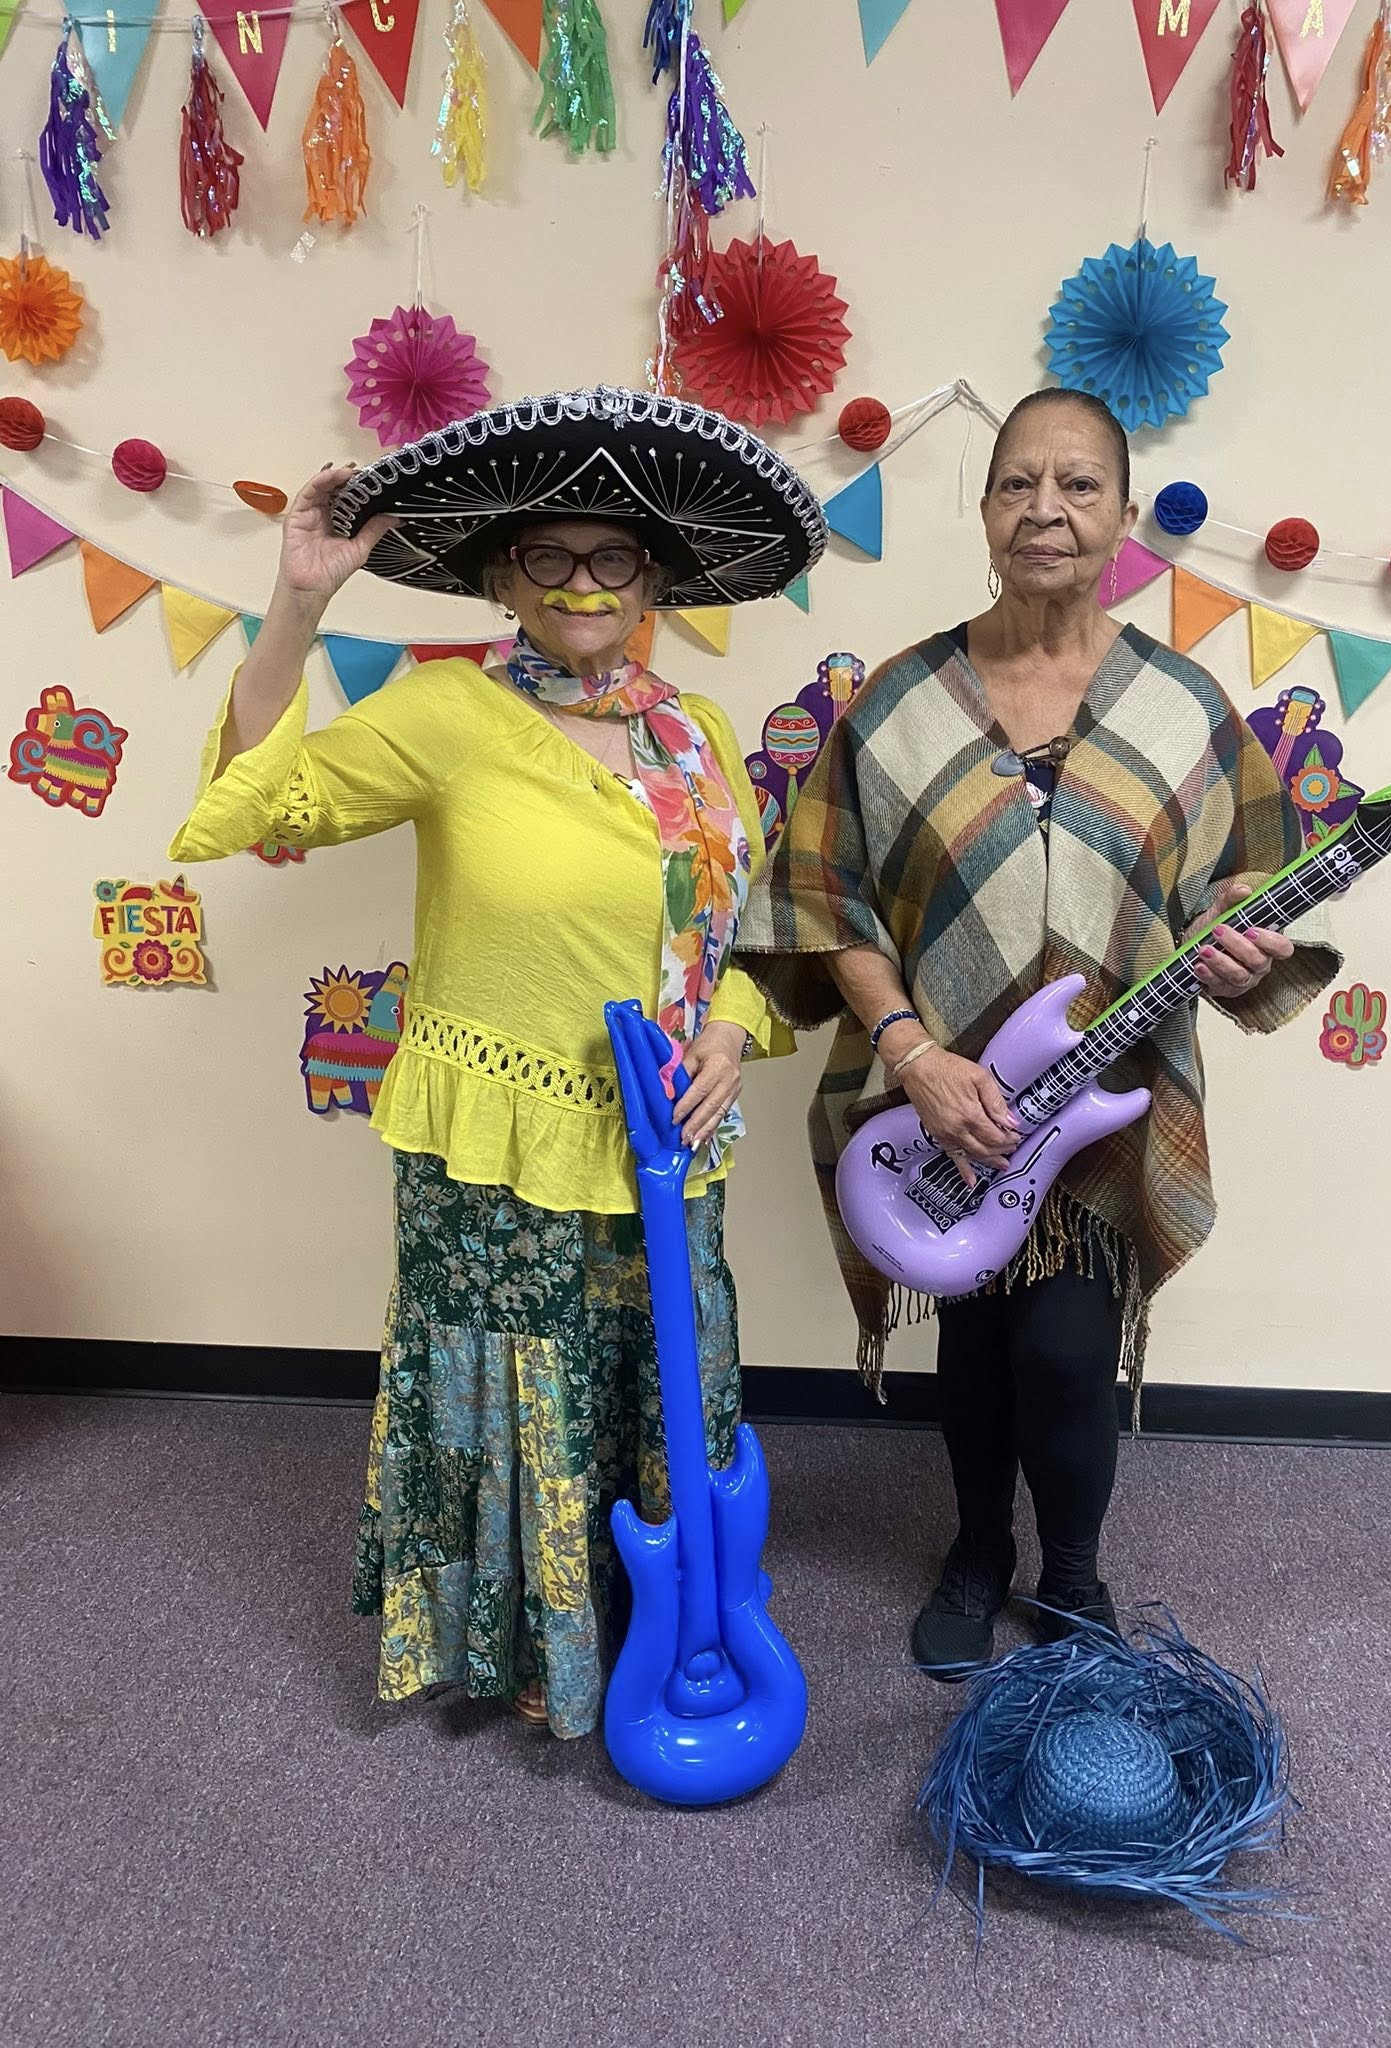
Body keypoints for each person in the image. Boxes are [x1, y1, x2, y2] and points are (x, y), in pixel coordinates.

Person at [169, 386, 823, 1738]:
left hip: (668, 1137)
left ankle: (663, 1629)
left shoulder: (700, 741)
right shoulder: (449, 715)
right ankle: (531, 1654)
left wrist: (729, 1031)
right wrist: (297, 608)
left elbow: (757, 935)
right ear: (500, 575)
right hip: (497, 1141)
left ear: (654, 574)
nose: (584, 582)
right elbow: (256, 805)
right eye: (549, 555)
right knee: (519, 1375)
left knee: (661, 1373)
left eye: (614, 556)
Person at [737, 387, 1340, 1676]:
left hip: (1100, 1097)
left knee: (1064, 1348)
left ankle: (1070, 1573)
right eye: (1018, 482)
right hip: (941, 1099)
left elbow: (1250, 875)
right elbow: (825, 895)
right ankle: (974, 1552)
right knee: (976, 1338)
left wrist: (1243, 929)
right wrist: (912, 1052)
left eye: (1077, 486)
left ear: (1124, 515)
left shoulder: (1184, 710)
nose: (1046, 510)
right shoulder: (898, 703)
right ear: (985, 506)